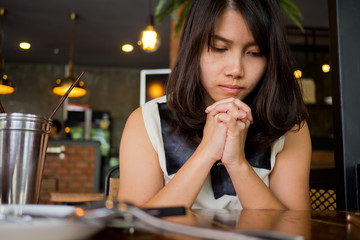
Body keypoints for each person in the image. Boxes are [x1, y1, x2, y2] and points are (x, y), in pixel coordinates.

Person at [118, 0, 311, 210]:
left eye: (255, 53)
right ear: (194, 48)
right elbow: (134, 227)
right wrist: (206, 153)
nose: (236, 69)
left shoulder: (288, 126)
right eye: (219, 48)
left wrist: (237, 164)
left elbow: (294, 227)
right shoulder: (147, 121)